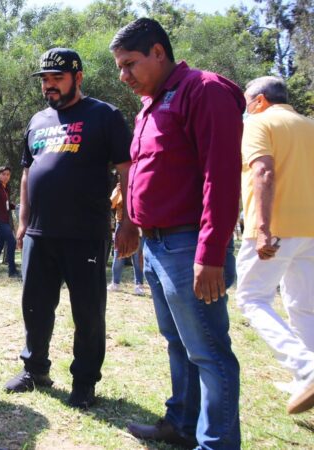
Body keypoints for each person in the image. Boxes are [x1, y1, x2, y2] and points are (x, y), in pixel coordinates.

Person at [110, 18, 243, 449]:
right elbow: (144, 174)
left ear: (158, 53)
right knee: (179, 344)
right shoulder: (150, 105)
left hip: (189, 247)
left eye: (130, 64)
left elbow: (219, 178)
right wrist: (130, 221)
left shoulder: (204, 90)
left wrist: (210, 253)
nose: (123, 75)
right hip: (156, 244)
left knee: (209, 353)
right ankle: (182, 425)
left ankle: (215, 443)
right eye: (119, 67)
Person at [3, 48, 138, 411]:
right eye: (45, 79)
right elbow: (28, 172)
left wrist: (128, 220)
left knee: (88, 311)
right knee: (35, 306)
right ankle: (35, 370)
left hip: (85, 233)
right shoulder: (37, 120)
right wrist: (22, 221)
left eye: (57, 78)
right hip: (39, 233)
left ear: (78, 78)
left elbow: (127, 169)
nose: (49, 85)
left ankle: (84, 381)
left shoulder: (104, 115)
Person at [235, 76, 314, 415]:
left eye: (246, 102)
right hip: (309, 229)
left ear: (261, 100)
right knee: (302, 306)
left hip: (273, 228)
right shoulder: (309, 125)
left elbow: (263, 173)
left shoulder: (260, 123)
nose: (245, 108)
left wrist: (263, 228)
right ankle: (304, 381)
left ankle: (308, 368)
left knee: (252, 298)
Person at [108, 181, 146, 295]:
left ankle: (139, 285)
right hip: (121, 223)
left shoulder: (139, 185)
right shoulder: (118, 188)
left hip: (137, 224)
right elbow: (111, 204)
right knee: (118, 254)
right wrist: (118, 191)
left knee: (137, 254)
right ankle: (115, 283)